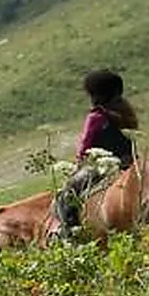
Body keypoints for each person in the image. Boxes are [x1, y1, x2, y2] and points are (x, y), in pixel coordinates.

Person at [51, 69, 138, 241]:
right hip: (128, 163)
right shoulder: (126, 112)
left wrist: (77, 166)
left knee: (65, 196)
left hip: (102, 167)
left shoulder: (96, 117)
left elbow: (84, 148)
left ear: (95, 95)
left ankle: (71, 236)